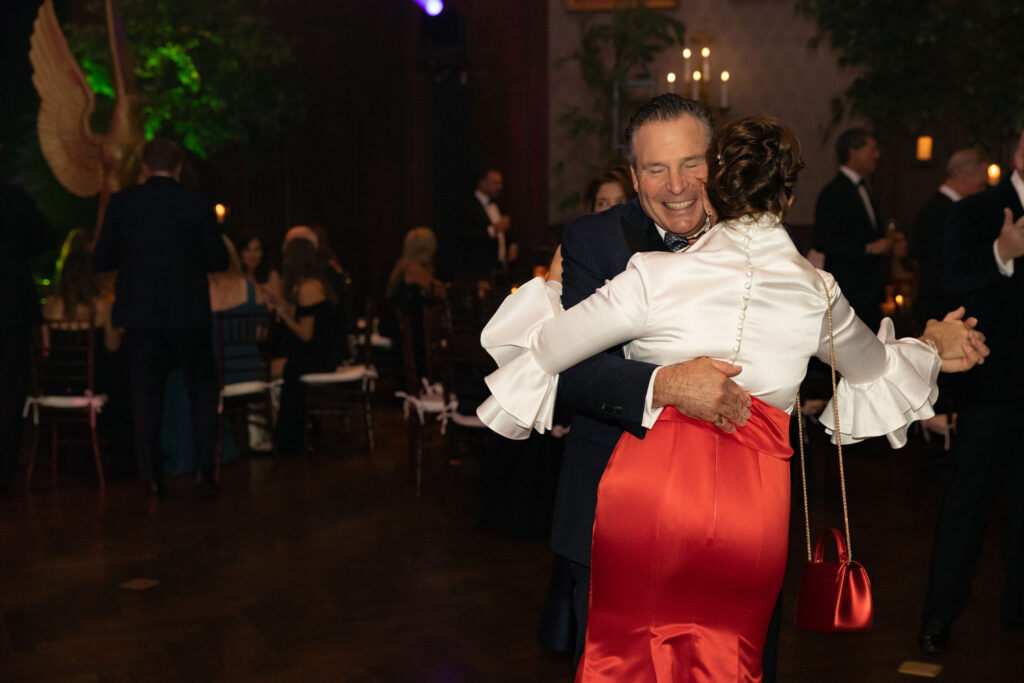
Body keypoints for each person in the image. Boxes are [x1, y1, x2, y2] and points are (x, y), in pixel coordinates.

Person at [477, 114, 988, 681]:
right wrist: (935, 345)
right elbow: (880, 370)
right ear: (789, 194)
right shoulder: (817, 290)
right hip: (753, 506)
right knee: (734, 657)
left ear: (715, 181)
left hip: (646, 496)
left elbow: (546, 351)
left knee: (626, 658)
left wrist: (550, 288)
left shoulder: (653, 275)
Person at [544, 95, 754, 669]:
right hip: (613, 509)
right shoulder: (592, 241)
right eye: (657, 168)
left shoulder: (754, 235)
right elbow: (571, 372)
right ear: (635, 177)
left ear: (716, 162)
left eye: (692, 163)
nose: (678, 184)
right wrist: (665, 385)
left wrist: (928, 349)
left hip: (734, 512)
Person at [918, 131, 1024, 655]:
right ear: (1021, 152)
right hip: (992, 389)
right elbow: (950, 277)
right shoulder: (980, 208)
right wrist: (1001, 254)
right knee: (968, 509)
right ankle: (938, 619)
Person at [93, 137, 228, 499]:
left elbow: (101, 259)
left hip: (142, 315)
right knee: (202, 387)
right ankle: (203, 466)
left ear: (143, 167)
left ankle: (151, 476)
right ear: (179, 167)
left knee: (146, 394)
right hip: (188, 312)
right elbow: (218, 260)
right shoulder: (198, 204)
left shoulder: (123, 204)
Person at [0, 181, 58, 492]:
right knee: (10, 388)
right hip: (11, 307)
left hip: (12, 309)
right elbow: (46, 235)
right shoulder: (13, 197)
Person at [813, 127, 890, 331]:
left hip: (869, 290)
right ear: (853, 152)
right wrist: (868, 248)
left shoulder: (864, 188)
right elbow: (824, 241)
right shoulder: (833, 193)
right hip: (849, 292)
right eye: (872, 149)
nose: (877, 155)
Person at [268, 236, 340, 454]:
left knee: (275, 370)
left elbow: (306, 334)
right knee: (277, 367)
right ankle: (287, 432)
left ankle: (285, 435)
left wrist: (284, 316)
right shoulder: (314, 283)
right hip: (321, 352)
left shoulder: (309, 288)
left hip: (320, 356)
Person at [911, 148, 989, 329]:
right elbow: (946, 269)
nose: (983, 191)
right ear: (964, 179)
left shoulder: (939, 208)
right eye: (981, 185)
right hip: (943, 313)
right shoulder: (945, 213)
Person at [43, 230, 122, 353]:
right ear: (91, 275)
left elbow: (45, 346)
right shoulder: (104, 306)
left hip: (58, 371)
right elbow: (113, 345)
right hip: (95, 371)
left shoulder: (50, 305)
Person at [455, 167, 511, 276]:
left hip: (500, 266)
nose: (499, 187)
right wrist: (493, 229)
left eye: (500, 183)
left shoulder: (498, 204)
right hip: (477, 268)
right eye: (495, 183)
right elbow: (464, 236)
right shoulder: (467, 205)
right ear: (482, 182)